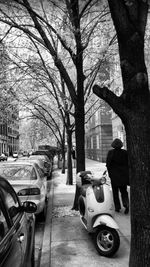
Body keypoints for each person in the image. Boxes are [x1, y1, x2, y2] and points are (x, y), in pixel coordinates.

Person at [106, 138, 129, 214]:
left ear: (113, 145)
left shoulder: (110, 153)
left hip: (114, 176)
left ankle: (117, 207)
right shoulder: (125, 153)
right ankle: (126, 204)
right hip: (123, 176)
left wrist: (110, 174)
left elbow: (108, 164)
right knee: (124, 191)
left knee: (115, 192)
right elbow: (128, 164)